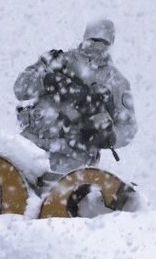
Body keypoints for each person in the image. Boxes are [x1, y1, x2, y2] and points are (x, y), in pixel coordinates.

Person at [14, 19, 137, 173]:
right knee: (8, 194)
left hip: (73, 164)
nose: (97, 45)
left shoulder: (116, 82)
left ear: (111, 42)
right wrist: (47, 80)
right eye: (94, 38)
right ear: (86, 36)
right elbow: (20, 88)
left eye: (103, 41)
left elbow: (128, 128)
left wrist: (110, 136)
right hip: (30, 149)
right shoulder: (57, 60)